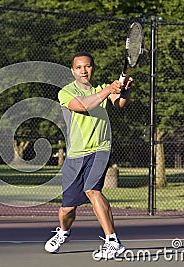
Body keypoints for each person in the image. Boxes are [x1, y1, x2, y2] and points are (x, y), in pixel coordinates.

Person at [44, 52, 132, 260]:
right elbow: (83, 105)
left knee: (92, 190)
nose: (84, 70)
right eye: (79, 67)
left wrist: (125, 91)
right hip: (75, 155)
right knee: (67, 209)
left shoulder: (102, 89)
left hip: (100, 149)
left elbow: (119, 103)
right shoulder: (66, 92)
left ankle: (112, 241)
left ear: (93, 68)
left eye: (88, 66)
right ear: (73, 70)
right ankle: (63, 232)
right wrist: (110, 89)